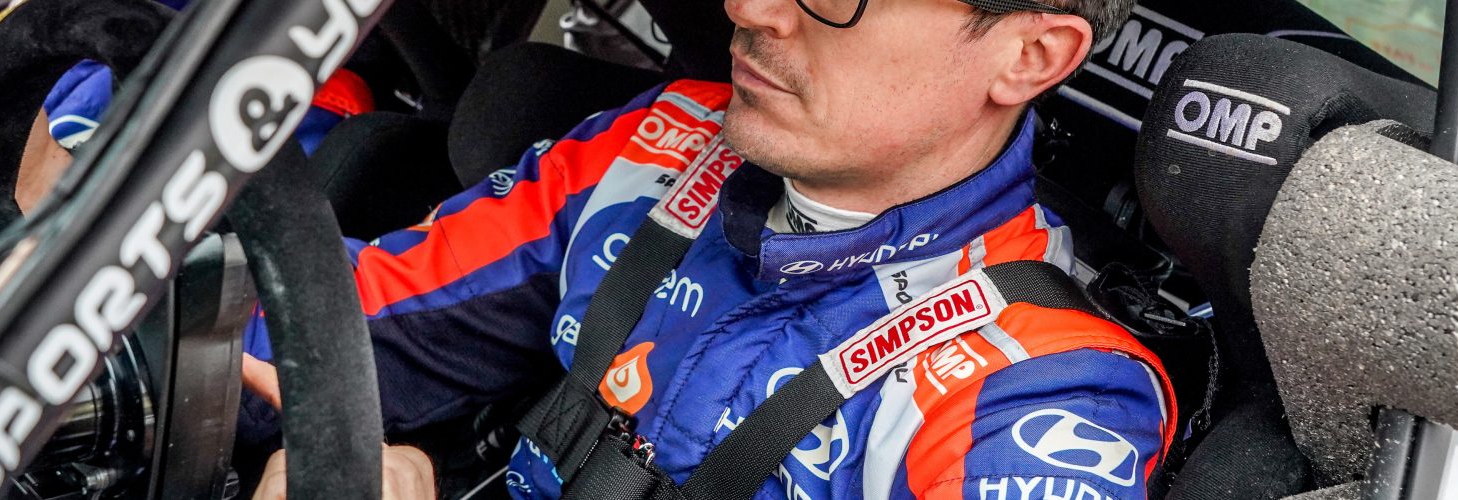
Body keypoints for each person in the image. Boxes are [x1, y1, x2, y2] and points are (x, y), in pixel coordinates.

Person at [243, 0, 1177, 497]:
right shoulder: (662, 146)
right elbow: (322, 331)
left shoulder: (1043, 392)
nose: (749, 7)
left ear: (1029, 55)